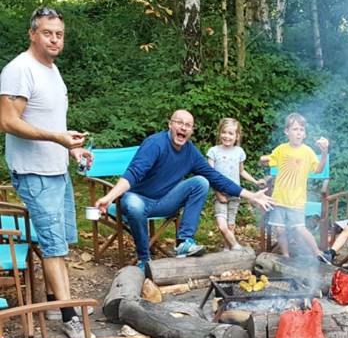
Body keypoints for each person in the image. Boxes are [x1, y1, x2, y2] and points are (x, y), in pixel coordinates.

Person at [0, 6, 94, 338]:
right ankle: (70, 318)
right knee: (54, 248)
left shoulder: (51, 70)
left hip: (57, 169)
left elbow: (51, 121)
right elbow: (7, 121)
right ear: (32, 34)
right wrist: (56, 138)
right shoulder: (19, 70)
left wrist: (71, 148)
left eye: (59, 34)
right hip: (35, 173)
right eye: (47, 33)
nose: (55, 39)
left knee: (61, 241)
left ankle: (57, 302)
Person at [95, 110, 272, 268]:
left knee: (201, 182)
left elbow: (216, 178)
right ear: (170, 125)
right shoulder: (155, 144)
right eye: (179, 123)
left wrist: (251, 196)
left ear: (191, 130)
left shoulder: (190, 152)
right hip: (139, 200)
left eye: (188, 125)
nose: (183, 128)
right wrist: (109, 197)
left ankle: (184, 242)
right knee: (133, 203)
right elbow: (133, 173)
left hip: (165, 202)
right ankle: (144, 259)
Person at [259, 113, 329, 259]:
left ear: (304, 134)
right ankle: (285, 255)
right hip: (278, 199)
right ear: (287, 131)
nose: (298, 132)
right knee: (279, 229)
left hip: (296, 199)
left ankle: (318, 253)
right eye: (295, 129)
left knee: (299, 228)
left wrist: (323, 154)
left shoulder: (308, 152)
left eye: (301, 130)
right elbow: (269, 161)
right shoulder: (281, 149)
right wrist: (263, 160)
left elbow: (319, 170)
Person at [207, 117, 265, 251]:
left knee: (231, 225)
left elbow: (242, 171)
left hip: (236, 194)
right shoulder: (213, 151)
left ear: (237, 136)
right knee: (222, 226)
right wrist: (218, 193)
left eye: (230, 133)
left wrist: (255, 181)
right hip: (220, 194)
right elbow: (210, 176)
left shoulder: (239, 152)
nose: (226, 136)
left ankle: (229, 251)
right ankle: (235, 247)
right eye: (224, 132)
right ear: (219, 133)